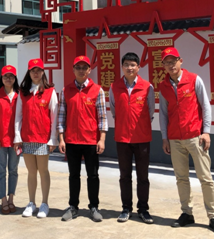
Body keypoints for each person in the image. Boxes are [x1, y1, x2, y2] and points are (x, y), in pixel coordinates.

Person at [158, 47, 214, 236]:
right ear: (163, 66)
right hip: (175, 139)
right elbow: (163, 113)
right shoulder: (163, 86)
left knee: (205, 178)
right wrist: (164, 137)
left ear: (180, 61)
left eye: (173, 61)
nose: (170, 65)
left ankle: (213, 216)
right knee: (181, 178)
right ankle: (187, 213)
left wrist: (206, 132)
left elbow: (206, 105)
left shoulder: (194, 80)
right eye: (167, 62)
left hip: (195, 137)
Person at [58, 55, 108, 222]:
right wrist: (61, 138)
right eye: (78, 67)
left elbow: (102, 117)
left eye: (84, 67)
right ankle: (73, 207)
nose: (81, 70)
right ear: (73, 70)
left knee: (93, 175)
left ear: (89, 70)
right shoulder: (66, 90)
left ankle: (94, 207)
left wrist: (102, 139)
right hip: (72, 140)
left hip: (91, 140)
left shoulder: (97, 90)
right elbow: (61, 116)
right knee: (73, 175)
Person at [109, 52, 155, 224]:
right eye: (126, 64)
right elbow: (114, 110)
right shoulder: (114, 87)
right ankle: (126, 208)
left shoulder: (147, 87)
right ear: (122, 67)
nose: (130, 68)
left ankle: (143, 209)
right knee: (124, 176)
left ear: (138, 67)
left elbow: (150, 111)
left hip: (142, 138)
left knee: (143, 176)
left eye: (133, 65)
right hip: (122, 139)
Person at [14, 58, 59, 219]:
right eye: (33, 70)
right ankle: (31, 203)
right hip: (27, 138)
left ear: (43, 72)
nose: (36, 73)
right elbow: (18, 116)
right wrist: (17, 136)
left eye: (38, 70)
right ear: (29, 72)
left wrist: (53, 139)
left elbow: (54, 116)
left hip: (43, 138)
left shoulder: (50, 91)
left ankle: (44, 203)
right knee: (31, 172)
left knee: (43, 171)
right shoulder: (23, 92)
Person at [0, 65, 21, 215]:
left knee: (13, 170)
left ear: (15, 78)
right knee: (1, 170)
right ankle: (3, 200)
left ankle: (11, 198)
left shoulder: (20, 96)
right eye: (5, 76)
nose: (8, 79)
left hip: (16, 140)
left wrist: (20, 138)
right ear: (1, 78)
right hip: (0, 139)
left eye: (11, 76)